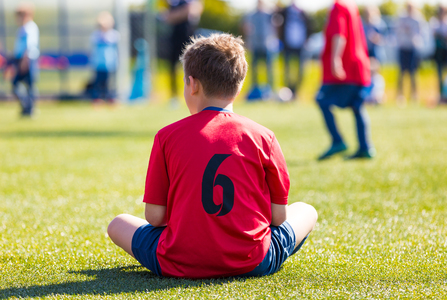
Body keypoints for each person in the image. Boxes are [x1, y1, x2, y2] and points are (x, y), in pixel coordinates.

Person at [107, 34, 318, 279]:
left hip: (178, 260)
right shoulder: (264, 136)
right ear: (239, 85)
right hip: (253, 260)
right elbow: (279, 217)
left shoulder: (166, 136)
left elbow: (155, 217)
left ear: (192, 84)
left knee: (118, 224)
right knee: (306, 210)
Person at [316, 0, 375, 160]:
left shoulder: (339, 6)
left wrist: (335, 59)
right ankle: (365, 147)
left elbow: (339, 34)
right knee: (357, 106)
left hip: (346, 67)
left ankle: (337, 141)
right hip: (358, 65)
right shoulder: (351, 5)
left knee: (322, 99)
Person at [164, 0, 203, 107]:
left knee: (194, 68)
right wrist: (183, 12)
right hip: (174, 38)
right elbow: (168, 18)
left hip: (189, 38)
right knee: (172, 68)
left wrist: (177, 14)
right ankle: (174, 96)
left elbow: (195, 10)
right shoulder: (172, 2)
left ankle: (196, 94)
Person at [276, 0, 312, 100]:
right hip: (288, 45)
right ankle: (288, 91)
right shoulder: (284, 11)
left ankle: (296, 92)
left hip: (300, 45)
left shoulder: (303, 12)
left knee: (300, 70)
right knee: (287, 70)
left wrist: (307, 40)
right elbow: (277, 21)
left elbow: (310, 26)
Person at [243, 0, 278, 100]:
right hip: (255, 45)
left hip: (267, 46)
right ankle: (254, 90)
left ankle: (271, 92)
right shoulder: (251, 15)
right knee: (253, 70)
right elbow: (247, 29)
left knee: (270, 70)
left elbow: (275, 26)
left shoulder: (269, 15)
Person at [12, 2, 39, 117]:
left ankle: (30, 108)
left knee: (29, 85)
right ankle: (26, 106)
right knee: (17, 84)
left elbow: (30, 46)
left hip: (27, 59)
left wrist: (25, 60)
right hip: (20, 59)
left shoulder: (30, 28)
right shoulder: (21, 29)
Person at [395, 2, 425, 105]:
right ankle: (400, 95)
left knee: (413, 73)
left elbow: (420, 33)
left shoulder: (418, 19)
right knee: (401, 73)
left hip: (412, 48)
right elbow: (396, 31)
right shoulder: (401, 18)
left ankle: (414, 95)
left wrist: (411, 33)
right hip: (403, 47)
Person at [90, 11, 120, 104]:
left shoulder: (114, 34)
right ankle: (97, 99)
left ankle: (110, 98)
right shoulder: (96, 34)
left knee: (109, 83)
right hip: (99, 63)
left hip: (110, 63)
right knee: (98, 82)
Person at [430, 5, 447, 103]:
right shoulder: (435, 22)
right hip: (438, 51)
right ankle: (441, 95)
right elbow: (433, 34)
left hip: (446, 51)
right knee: (439, 74)